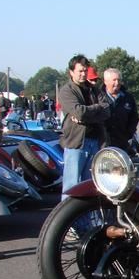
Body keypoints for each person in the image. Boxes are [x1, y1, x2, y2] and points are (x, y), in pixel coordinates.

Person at [59, 54, 110, 200]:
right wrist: (96, 110)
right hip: (76, 143)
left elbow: (106, 111)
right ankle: (68, 222)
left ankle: (87, 222)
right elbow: (78, 112)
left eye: (85, 71)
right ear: (71, 72)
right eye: (80, 71)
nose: (83, 74)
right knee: (72, 185)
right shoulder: (67, 91)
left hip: (95, 142)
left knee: (91, 185)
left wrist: (88, 112)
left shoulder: (94, 90)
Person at [100, 68, 139, 152]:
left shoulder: (128, 97)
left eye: (119, 80)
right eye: (114, 80)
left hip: (123, 142)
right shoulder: (98, 96)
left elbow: (134, 117)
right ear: (105, 81)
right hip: (102, 143)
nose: (117, 83)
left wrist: (129, 133)